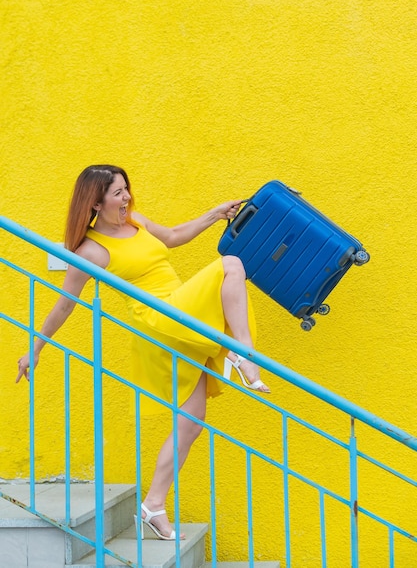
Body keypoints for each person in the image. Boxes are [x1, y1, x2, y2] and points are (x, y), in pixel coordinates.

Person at [16, 164, 269, 541]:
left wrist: (216, 213)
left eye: (126, 189)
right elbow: (64, 305)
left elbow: (173, 236)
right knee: (231, 265)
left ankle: (153, 505)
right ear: (96, 201)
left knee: (191, 423)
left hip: (180, 313)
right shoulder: (91, 251)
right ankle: (244, 353)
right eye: (118, 193)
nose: (127, 197)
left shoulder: (135, 221)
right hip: (159, 322)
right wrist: (35, 348)